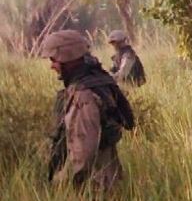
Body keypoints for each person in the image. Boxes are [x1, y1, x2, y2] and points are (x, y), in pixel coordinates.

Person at [42, 29, 134, 191]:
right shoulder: (98, 81)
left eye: (54, 59)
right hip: (105, 179)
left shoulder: (83, 95)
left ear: (67, 58)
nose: (52, 66)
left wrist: (57, 185)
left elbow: (82, 155)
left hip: (93, 188)